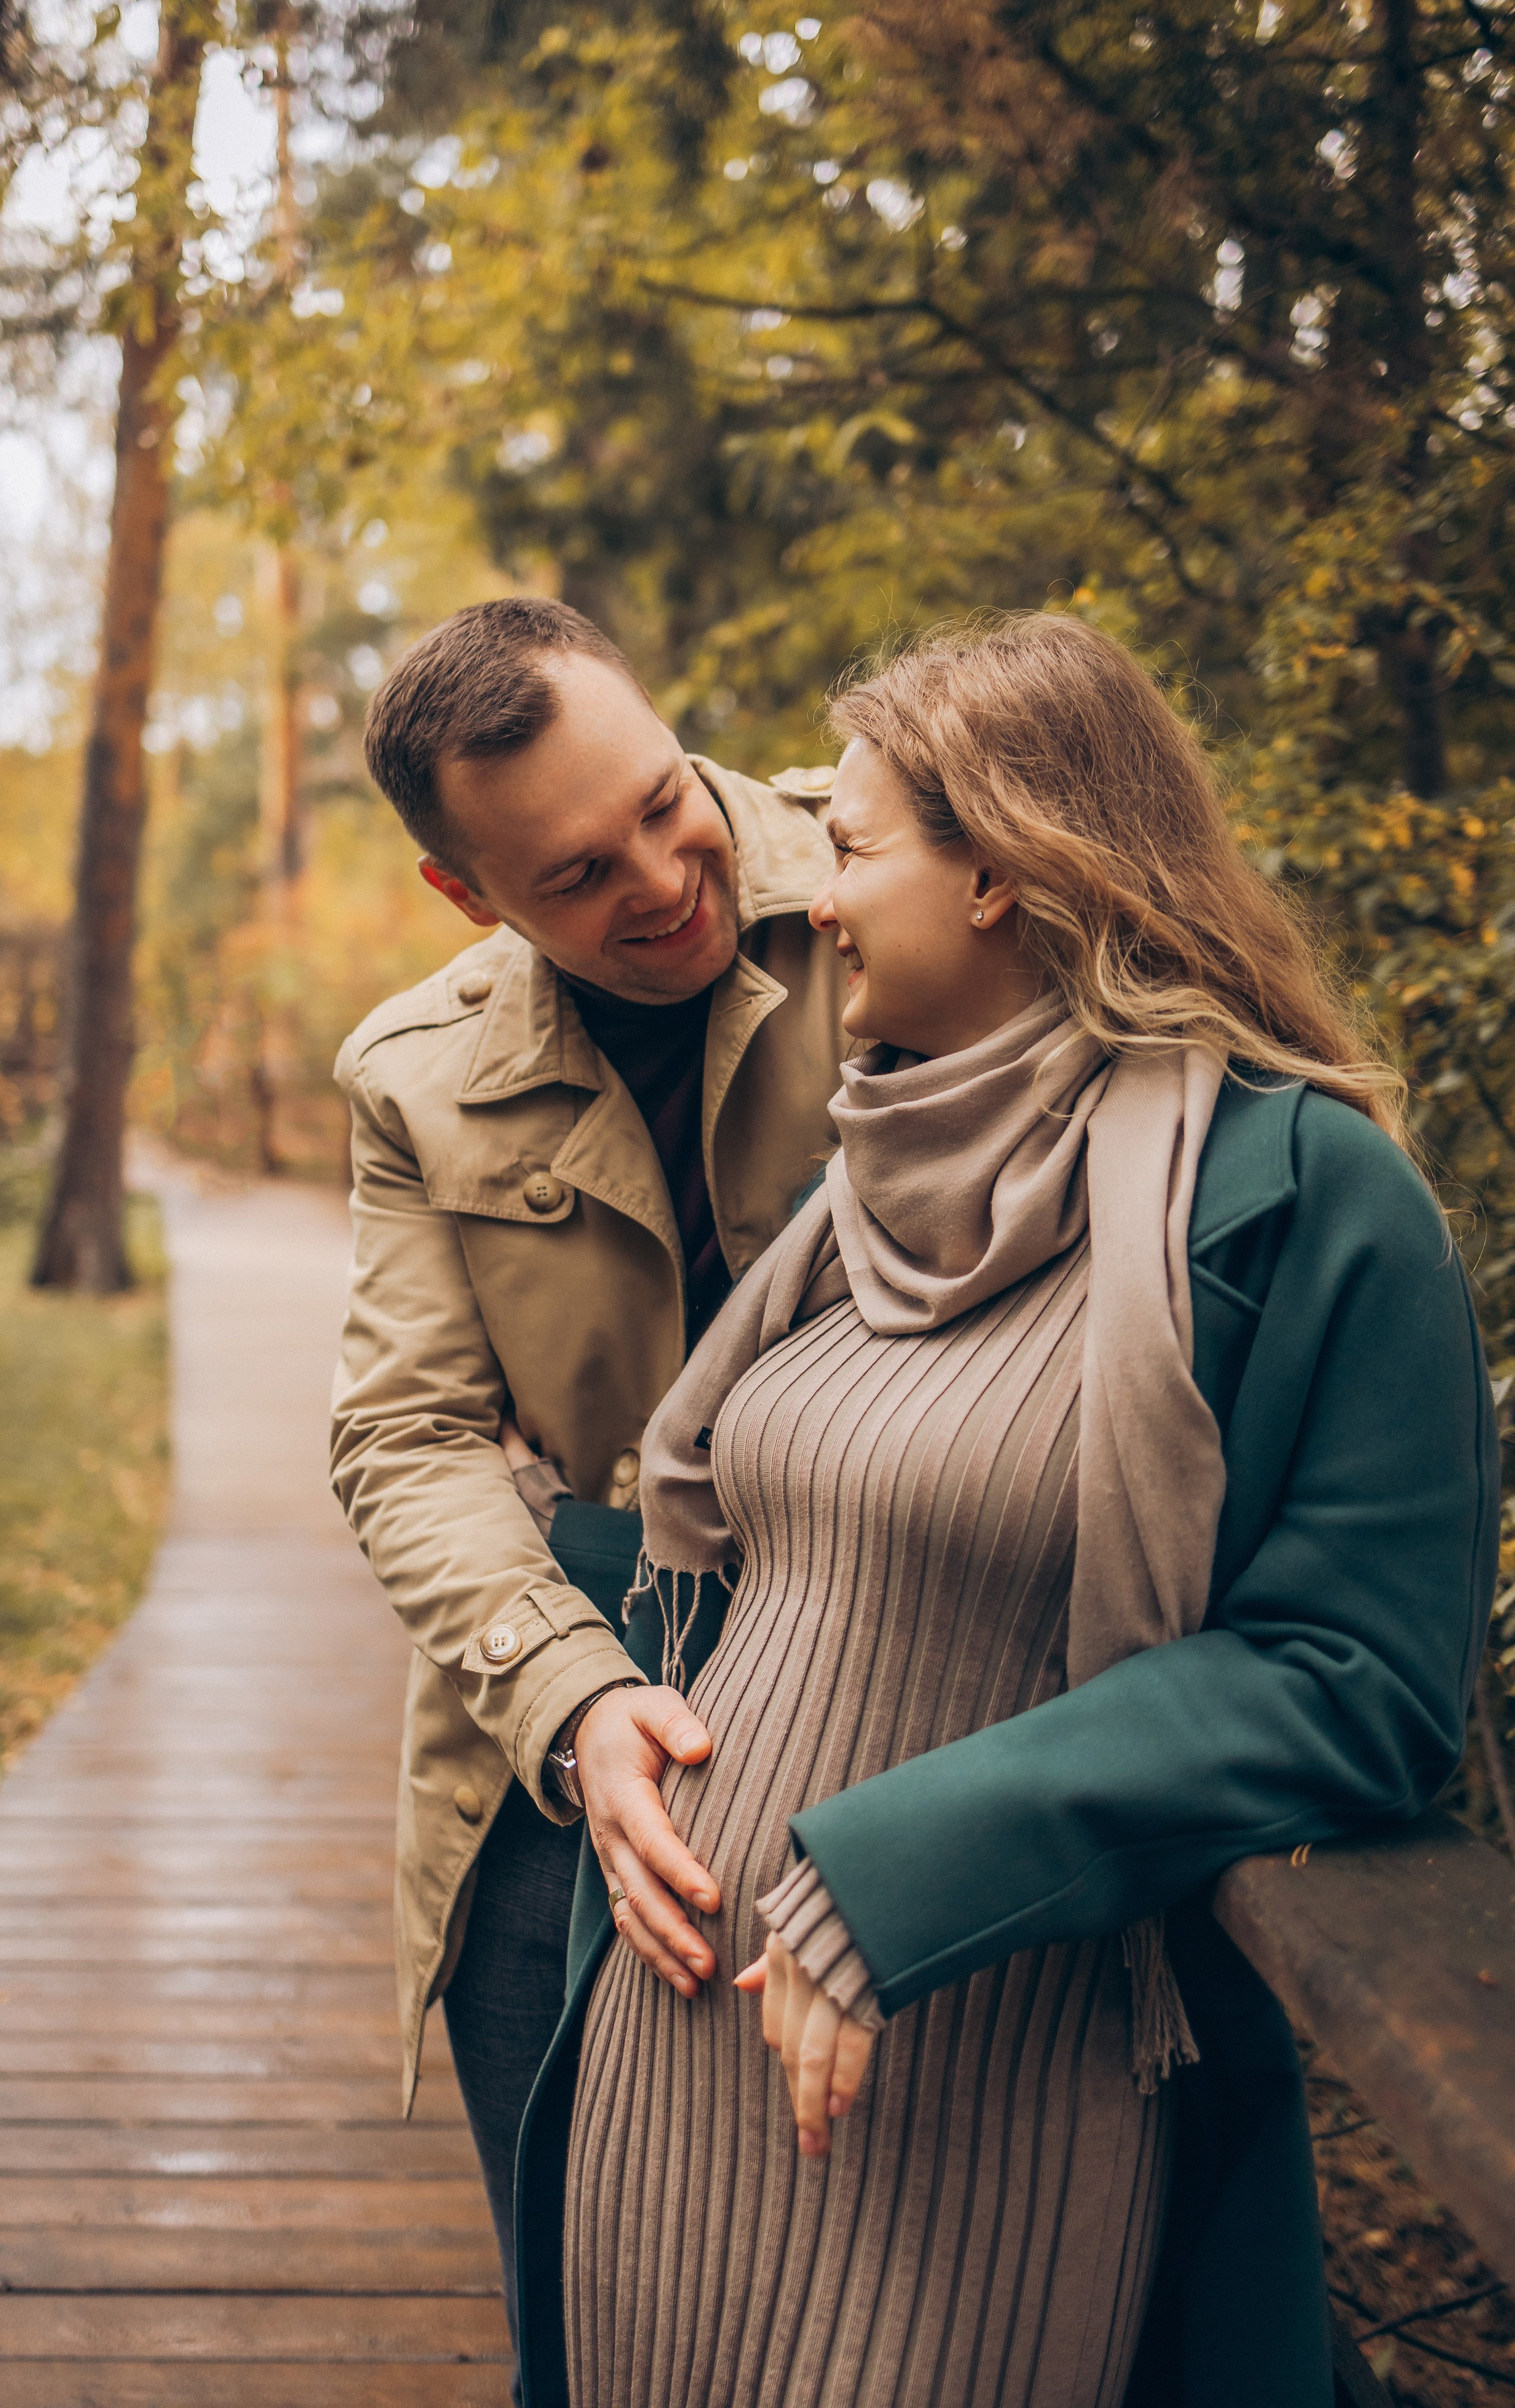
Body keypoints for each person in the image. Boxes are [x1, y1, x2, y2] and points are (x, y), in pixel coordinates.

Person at [515, 613, 1498, 2408]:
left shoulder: (1304, 1196)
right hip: (675, 2077)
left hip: (977, 2083)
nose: (814, 902)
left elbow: (1360, 1680)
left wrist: (894, 1876)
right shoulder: (861, 1176)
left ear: (999, 876)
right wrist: (594, 1707)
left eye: (861, 848)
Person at [327, 597, 847, 2393]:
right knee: (589, 2262)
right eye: (573, 873)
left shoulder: (899, 884)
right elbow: (405, 1444)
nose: (659, 876)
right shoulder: (416, 1077)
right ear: (466, 898)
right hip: (582, 1678)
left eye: (661, 796)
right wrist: (577, 1700)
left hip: (912, 1654)